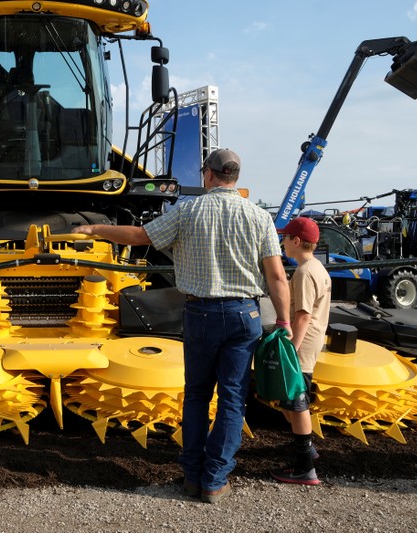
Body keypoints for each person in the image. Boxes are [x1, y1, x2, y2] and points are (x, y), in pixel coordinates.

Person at [72, 148, 291, 504]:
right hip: (244, 315)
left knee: (197, 395)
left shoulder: (188, 211)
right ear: (234, 177)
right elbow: (277, 276)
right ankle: (214, 480)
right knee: (232, 398)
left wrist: (95, 228)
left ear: (209, 174)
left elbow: (139, 237)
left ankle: (192, 476)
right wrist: (283, 320)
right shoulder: (259, 217)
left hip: (201, 314)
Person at [270, 216, 331, 486]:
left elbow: (303, 315)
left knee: (296, 402)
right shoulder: (317, 267)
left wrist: (291, 351)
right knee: (291, 401)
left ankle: (305, 466)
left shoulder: (305, 272)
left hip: (302, 344)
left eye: (284, 238)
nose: (282, 243)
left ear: (296, 241)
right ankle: (306, 446)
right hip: (311, 341)